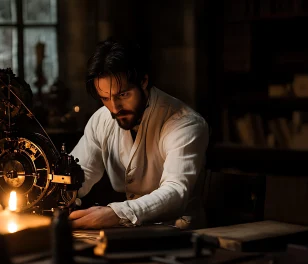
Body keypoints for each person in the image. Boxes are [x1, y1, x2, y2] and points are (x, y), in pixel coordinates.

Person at [68, 38, 209, 229]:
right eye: (105, 98)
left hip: (182, 233)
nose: (114, 108)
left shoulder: (185, 123)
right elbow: (78, 174)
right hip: (133, 231)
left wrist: (114, 214)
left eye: (123, 95)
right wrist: (58, 194)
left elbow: (176, 192)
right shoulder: (101, 119)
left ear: (144, 81)